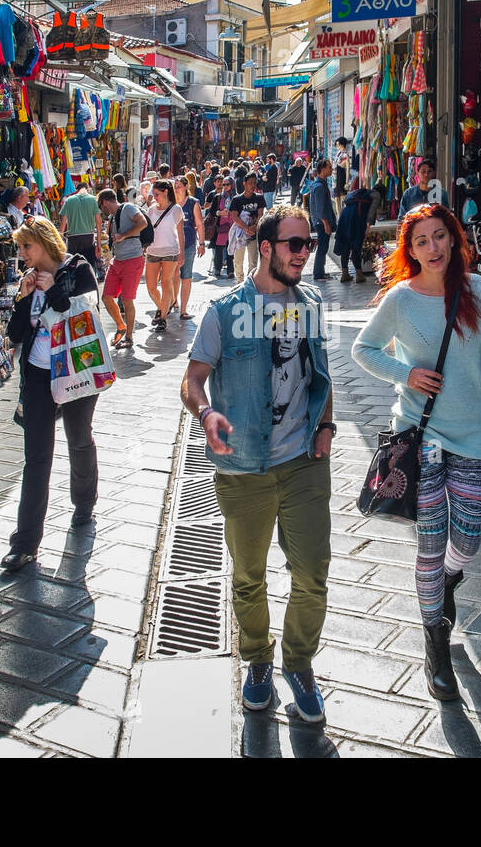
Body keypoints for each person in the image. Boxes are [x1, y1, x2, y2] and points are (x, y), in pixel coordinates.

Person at [352, 203, 481, 701]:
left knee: (468, 536)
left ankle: (447, 582)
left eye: (439, 237)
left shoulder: (477, 292)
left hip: (470, 434)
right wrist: (405, 374)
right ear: (410, 250)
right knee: (430, 545)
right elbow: (363, 350)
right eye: (422, 240)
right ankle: (436, 643)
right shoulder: (401, 299)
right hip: (419, 436)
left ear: (453, 239)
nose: (433, 247)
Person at [181, 206, 335, 723]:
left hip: (303, 463)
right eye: (294, 244)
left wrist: (327, 427)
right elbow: (193, 378)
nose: (303, 254)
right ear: (265, 247)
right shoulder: (224, 311)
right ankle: (258, 660)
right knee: (249, 576)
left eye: (308, 244)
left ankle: (298, 662)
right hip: (243, 467)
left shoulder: (309, 304)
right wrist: (205, 414)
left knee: (312, 573)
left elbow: (322, 376)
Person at [2, 217, 100, 572]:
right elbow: (15, 334)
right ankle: (25, 542)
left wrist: (54, 288)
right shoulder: (27, 281)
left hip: (77, 369)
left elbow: (86, 311)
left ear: (44, 243)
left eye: (27, 246)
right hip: (39, 377)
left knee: (78, 439)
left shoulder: (77, 268)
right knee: (36, 458)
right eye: (20, 247)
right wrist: (25, 298)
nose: (22, 254)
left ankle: (85, 501)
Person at [98, 187, 148, 348]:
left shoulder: (128, 207)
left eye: (100, 206)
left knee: (127, 301)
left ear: (105, 202)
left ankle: (129, 337)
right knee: (106, 297)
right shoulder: (114, 216)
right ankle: (121, 325)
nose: (101, 210)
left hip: (132, 260)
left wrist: (123, 235)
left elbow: (143, 223)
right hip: (117, 260)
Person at [143, 180, 184, 334]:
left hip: (170, 251)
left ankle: (163, 318)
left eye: (157, 194)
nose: (155, 198)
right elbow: (146, 231)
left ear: (166, 192)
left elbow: (180, 232)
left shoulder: (176, 209)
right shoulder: (151, 210)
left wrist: (182, 253)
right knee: (151, 287)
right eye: (154, 195)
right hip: (152, 251)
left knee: (166, 283)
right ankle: (162, 307)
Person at [175, 173, 206, 320]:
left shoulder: (193, 203)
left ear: (186, 187)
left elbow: (199, 224)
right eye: (175, 187)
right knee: (171, 277)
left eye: (179, 187)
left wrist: (201, 243)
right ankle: (173, 302)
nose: (176, 189)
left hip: (188, 245)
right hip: (172, 246)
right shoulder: (172, 204)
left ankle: (183, 309)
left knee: (186, 277)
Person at [228, 173, 266, 283]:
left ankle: (250, 283)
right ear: (244, 184)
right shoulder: (237, 199)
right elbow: (235, 217)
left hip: (254, 234)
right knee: (238, 261)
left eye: (254, 183)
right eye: (250, 183)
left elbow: (260, 214)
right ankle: (240, 282)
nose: (253, 185)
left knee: (253, 261)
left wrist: (253, 227)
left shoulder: (259, 197)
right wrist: (246, 228)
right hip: (240, 234)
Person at [336, 176, 372, 283]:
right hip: (356, 222)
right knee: (356, 247)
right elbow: (367, 216)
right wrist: (367, 228)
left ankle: (345, 273)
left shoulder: (352, 198)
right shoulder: (367, 198)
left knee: (345, 248)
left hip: (344, 220)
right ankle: (359, 274)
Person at [58, 183, 100, 268]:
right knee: (89, 267)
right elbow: (99, 223)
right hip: (88, 239)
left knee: (72, 267)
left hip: (73, 239)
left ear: (76, 190)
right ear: (87, 190)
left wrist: (59, 244)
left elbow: (62, 224)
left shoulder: (69, 200)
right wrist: (98, 245)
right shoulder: (93, 200)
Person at [308, 160, 337, 281]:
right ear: (323, 169)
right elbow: (320, 208)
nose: (331, 169)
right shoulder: (319, 187)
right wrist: (326, 223)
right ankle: (318, 273)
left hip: (322, 221)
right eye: (329, 167)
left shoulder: (321, 184)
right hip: (321, 222)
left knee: (324, 247)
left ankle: (321, 271)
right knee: (322, 247)